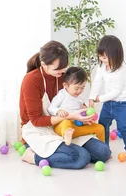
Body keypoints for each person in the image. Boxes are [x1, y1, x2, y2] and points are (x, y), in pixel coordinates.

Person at [19, 40, 111, 169]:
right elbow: (36, 120)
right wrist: (71, 116)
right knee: (80, 157)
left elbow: (71, 102)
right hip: (38, 130)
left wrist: (82, 113)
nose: (62, 72)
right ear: (44, 64)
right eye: (58, 69)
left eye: (64, 67)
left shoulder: (62, 76)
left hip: (61, 126)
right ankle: (33, 156)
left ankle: (64, 150)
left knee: (103, 152)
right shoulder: (31, 80)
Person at [89, 35, 126, 158]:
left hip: (122, 103)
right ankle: (105, 150)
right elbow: (97, 81)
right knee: (103, 125)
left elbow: (116, 91)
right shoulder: (102, 66)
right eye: (100, 56)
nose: (102, 60)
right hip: (108, 103)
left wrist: (100, 98)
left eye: (104, 57)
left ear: (115, 55)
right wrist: (92, 97)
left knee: (123, 127)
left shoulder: (120, 70)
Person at [48, 66, 105, 146]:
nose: (79, 91)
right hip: (61, 126)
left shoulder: (80, 98)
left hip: (76, 126)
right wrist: (58, 110)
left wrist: (86, 110)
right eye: (76, 88)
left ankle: (103, 146)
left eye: (82, 88)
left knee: (100, 128)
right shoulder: (62, 95)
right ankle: (67, 135)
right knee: (66, 122)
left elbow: (83, 111)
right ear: (65, 85)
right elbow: (50, 108)